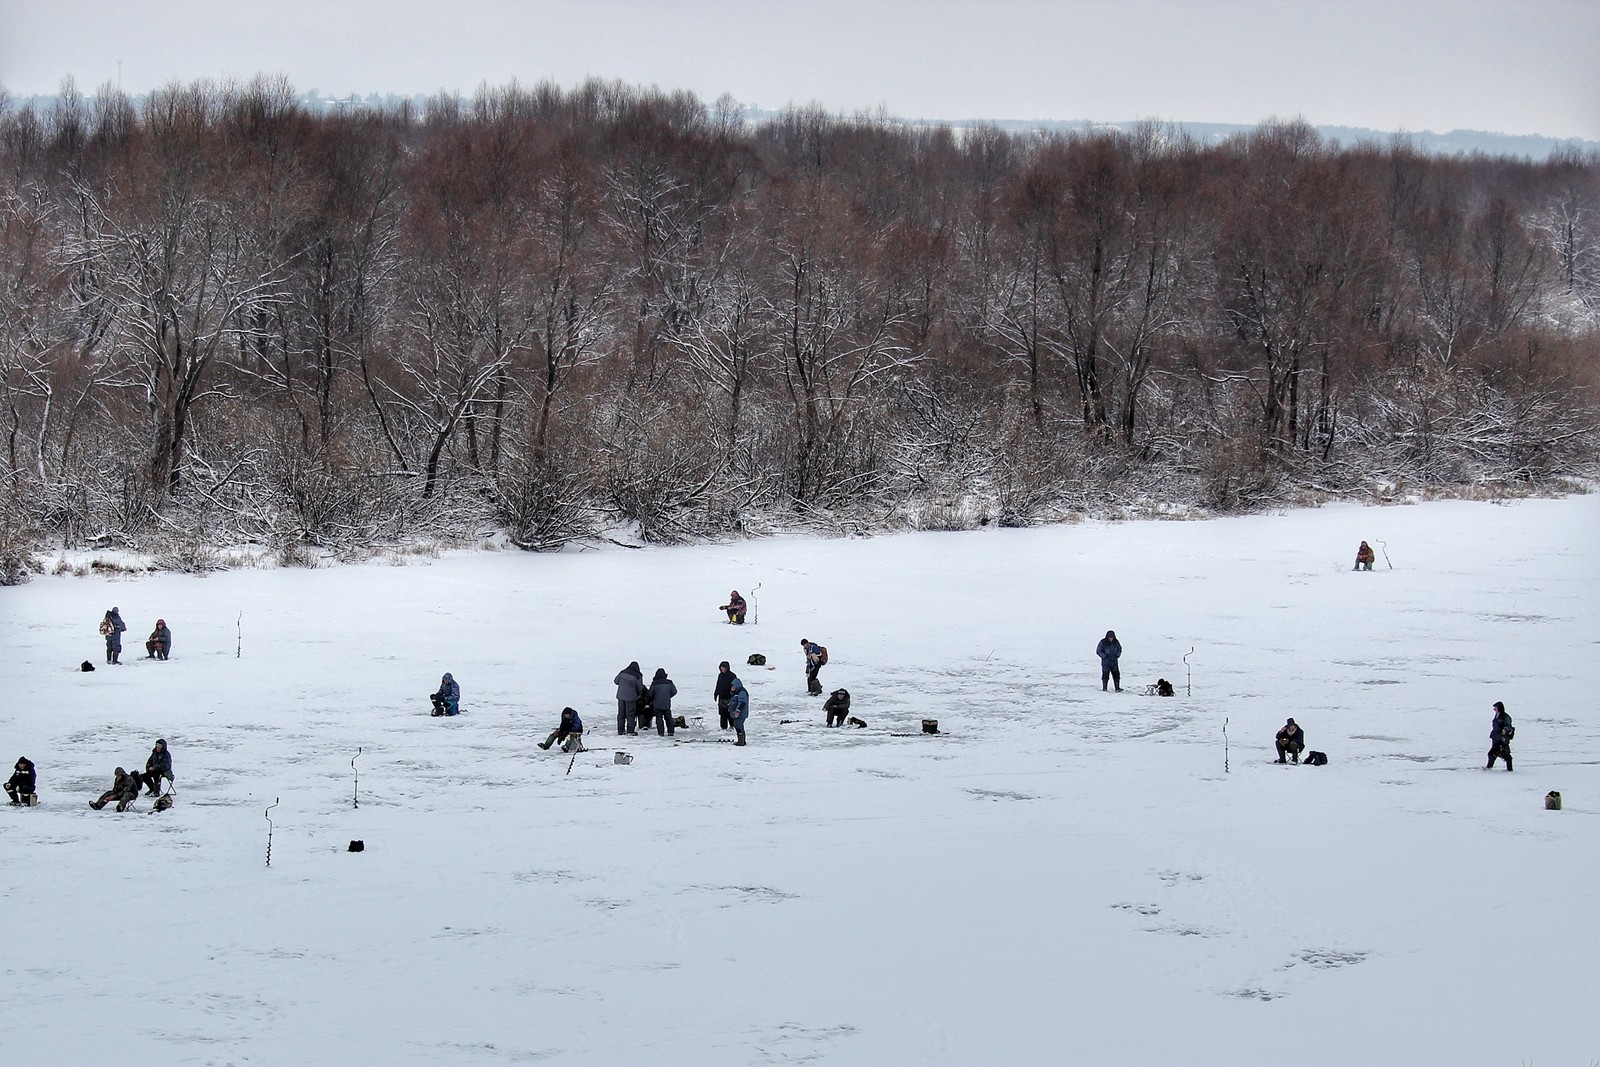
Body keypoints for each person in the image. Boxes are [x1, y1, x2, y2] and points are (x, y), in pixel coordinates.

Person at [615, 661, 645, 735]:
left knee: (621, 714)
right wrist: (638, 695)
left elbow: (616, 681)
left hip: (621, 696)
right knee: (630, 714)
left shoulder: (622, 672)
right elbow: (640, 688)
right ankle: (630, 730)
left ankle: (620, 730)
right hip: (631, 697)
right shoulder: (638, 676)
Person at [650, 668, 679, 737]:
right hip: (666, 704)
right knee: (668, 718)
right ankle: (671, 732)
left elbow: (650, 693)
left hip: (657, 704)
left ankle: (661, 733)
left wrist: (652, 699)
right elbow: (674, 691)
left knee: (659, 718)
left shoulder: (654, 683)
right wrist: (668, 696)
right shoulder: (669, 682)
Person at [1487, 701, 1514, 771]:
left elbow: (1509, 726)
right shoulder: (1497, 716)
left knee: (1505, 754)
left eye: (1495, 708)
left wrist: (1505, 729)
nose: (1494, 710)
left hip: (1502, 739)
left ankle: (1510, 770)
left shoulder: (1505, 717)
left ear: (1499, 708)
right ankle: (1488, 768)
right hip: (1495, 738)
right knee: (1492, 754)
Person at [714, 661, 736, 730]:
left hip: (729, 697)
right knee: (722, 713)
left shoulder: (732, 676)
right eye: (721, 668)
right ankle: (723, 727)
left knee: (729, 713)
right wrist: (716, 694)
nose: (722, 669)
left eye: (724, 668)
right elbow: (718, 685)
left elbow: (735, 686)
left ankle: (732, 726)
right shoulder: (720, 675)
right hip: (721, 697)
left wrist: (733, 694)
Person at [728, 677, 750, 746]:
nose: (732, 688)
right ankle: (742, 740)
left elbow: (742, 702)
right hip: (739, 713)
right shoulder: (737, 692)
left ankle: (741, 741)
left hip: (741, 714)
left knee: (738, 725)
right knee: (738, 725)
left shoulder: (741, 692)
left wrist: (738, 711)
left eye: (733, 687)